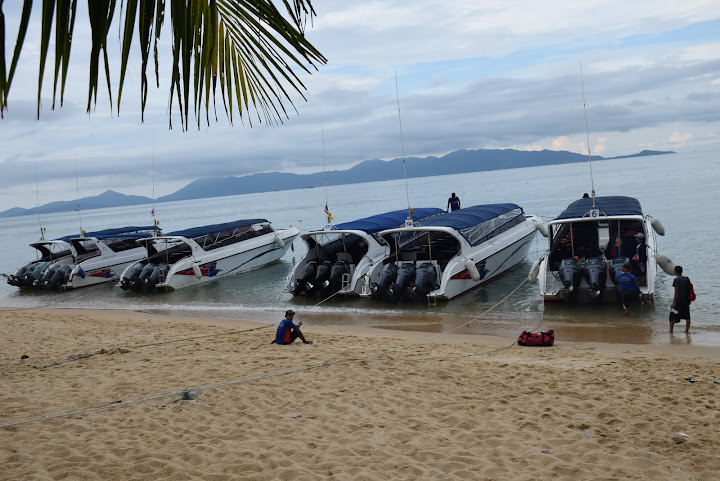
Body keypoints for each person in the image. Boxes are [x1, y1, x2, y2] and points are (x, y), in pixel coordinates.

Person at [670, 265, 691, 333]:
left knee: (672, 315)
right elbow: (689, 290)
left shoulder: (676, 280)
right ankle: (686, 331)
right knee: (687, 316)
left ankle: (671, 330)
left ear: (675, 272)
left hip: (679, 301)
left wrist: (674, 302)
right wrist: (689, 300)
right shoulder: (686, 279)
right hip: (686, 301)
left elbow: (676, 292)